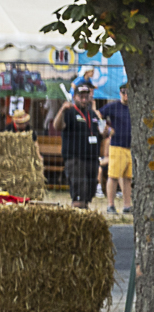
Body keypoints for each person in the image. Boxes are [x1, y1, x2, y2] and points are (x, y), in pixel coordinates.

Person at [52, 81, 107, 209]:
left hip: (92, 160)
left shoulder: (92, 114)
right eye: (81, 96)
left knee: (88, 193)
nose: (84, 99)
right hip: (76, 159)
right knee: (79, 193)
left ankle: (84, 216)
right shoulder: (69, 112)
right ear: (75, 97)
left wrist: (104, 130)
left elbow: (101, 133)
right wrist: (62, 110)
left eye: (86, 96)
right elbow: (57, 126)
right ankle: (77, 215)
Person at [101, 93, 134, 214]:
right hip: (117, 146)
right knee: (113, 176)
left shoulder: (134, 106)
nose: (126, 94)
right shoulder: (114, 106)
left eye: (128, 91)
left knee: (128, 178)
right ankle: (110, 205)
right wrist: (107, 129)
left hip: (130, 147)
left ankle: (127, 205)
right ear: (120, 93)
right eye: (124, 92)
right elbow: (97, 115)